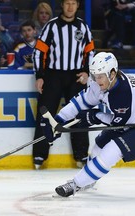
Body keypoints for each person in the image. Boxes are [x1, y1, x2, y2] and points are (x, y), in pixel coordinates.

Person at [40, 52, 135, 197]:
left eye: (100, 76)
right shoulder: (102, 82)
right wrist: (59, 119)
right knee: (100, 144)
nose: (96, 80)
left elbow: (122, 126)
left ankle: (75, 184)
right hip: (133, 120)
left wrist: (95, 116)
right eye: (94, 76)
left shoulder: (126, 94)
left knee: (112, 149)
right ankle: (89, 180)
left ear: (112, 74)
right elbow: (81, 102)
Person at [32, 0, 95, 170]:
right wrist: (40, 76)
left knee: (80, 115)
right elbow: (39, 52)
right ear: (62, 5)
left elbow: (90, 52)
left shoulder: (83, 27)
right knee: (45, 114)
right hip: (53, 76)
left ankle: (81, 154)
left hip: (76, 77)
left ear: (77, 6)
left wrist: (87, 72)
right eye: (67, 3)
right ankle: (39, 154)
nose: (70, 7)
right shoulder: (51, 26)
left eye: (73, 3)